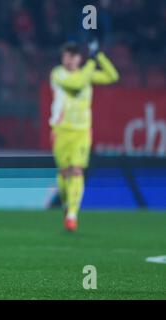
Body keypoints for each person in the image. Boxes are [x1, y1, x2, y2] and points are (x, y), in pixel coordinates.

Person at [49, 40, 119, 232]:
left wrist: (100, 56)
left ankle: (72, 214)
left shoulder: (86, 73)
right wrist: (91, 62)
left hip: (81, 131)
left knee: (77, 170)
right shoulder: (58, 74)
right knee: (64, 173)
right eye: (66, 56)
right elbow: (77, 84)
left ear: (79, 58)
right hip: (61, 130)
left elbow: (113, 76)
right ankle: (66, 205)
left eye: (73, 56)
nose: (69, 59)